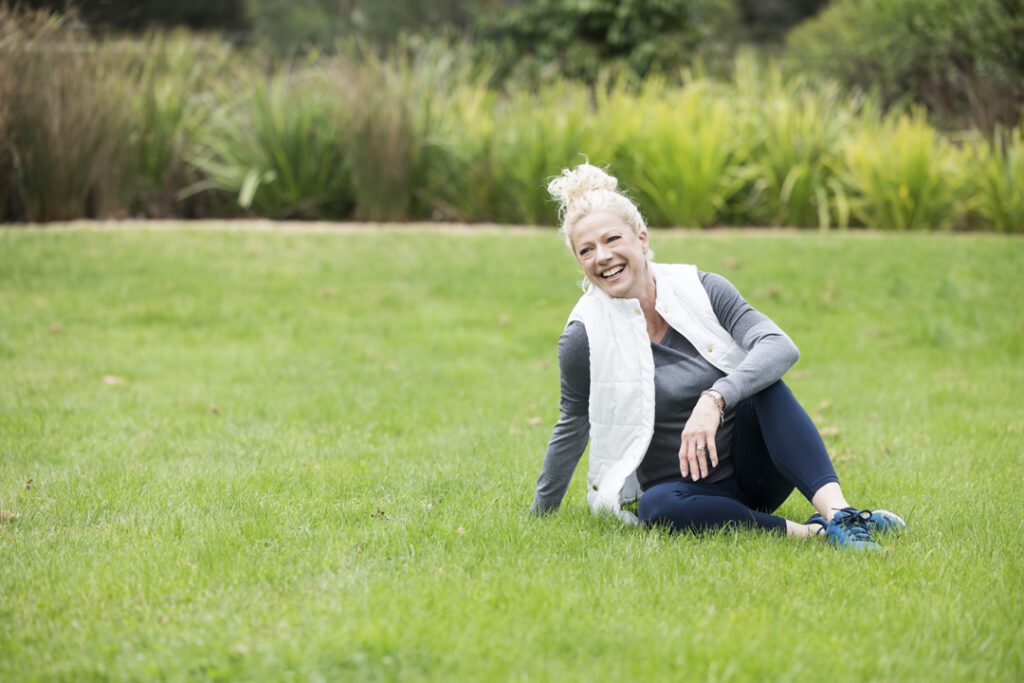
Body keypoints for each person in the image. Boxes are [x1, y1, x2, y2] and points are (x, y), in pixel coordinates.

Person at [530, 163, 905, 549]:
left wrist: (716, 397)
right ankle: (811, 532)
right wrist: (539, 515)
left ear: (642, 239)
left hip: (753, 473)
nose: (603, 257)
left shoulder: (701, 287)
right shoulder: (583, 335)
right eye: (586, 251)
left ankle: (839, 513)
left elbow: (779, 345)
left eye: (612, 240)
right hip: (684, 495)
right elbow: (572, 423)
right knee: (656, 509)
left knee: (764, 385)